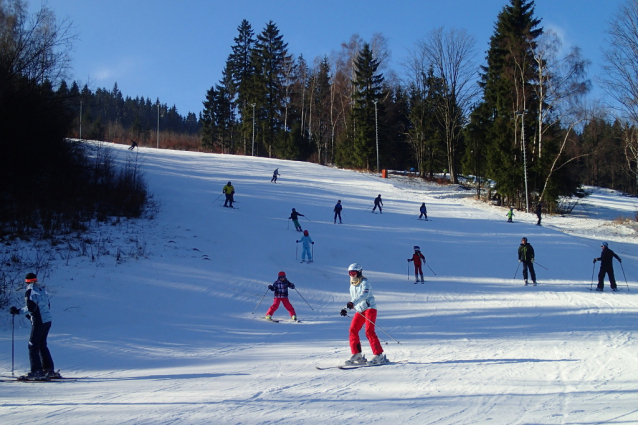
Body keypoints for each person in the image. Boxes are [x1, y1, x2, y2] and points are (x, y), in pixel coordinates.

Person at [9, 273, 58, 380]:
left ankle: (36, 371)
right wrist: (30, 315)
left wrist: (18, 311)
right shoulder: (42, 290)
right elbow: (45, 306)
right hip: (47, 320)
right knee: (42, 344)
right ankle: (48, 369)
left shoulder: (30, 291)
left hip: (39, 320)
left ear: (26, 281)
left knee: (32, 345)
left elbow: (31, 307)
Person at [340, 263, 387, 365]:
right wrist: (346, 309)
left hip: (370, 308)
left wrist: (353, 303)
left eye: (354, 273)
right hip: (360, 310)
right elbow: (353, 299)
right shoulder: (352, 284)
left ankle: (379, 355)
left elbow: (364, 295)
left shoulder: (365, 282)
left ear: (359, 272)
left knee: (369, 331)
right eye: (350, 273)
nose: (352, 275)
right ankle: (357, 354)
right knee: (353, 330)